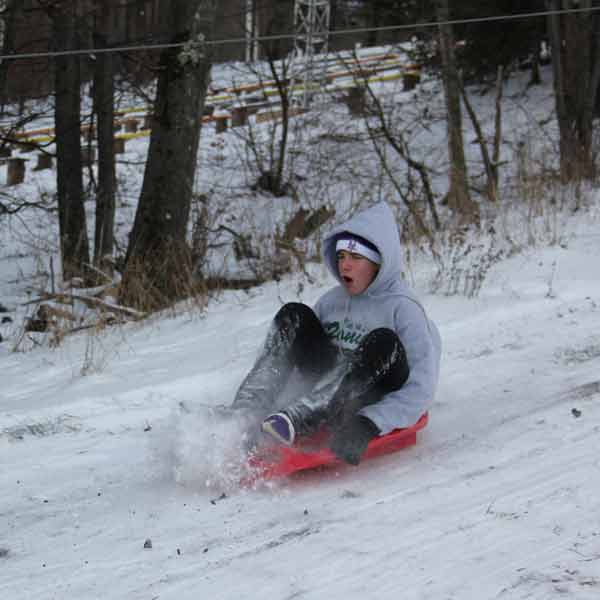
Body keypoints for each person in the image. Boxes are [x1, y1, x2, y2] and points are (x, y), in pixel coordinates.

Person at [232, 201, 442, 465]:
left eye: (356, 258)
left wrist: (369, 423)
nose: (345, 265)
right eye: (341, 257)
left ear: (378, 264)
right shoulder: (331, 302)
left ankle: (301, 416)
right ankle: (244, 413)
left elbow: (422, 389)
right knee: (294, 314)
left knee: (383, 340)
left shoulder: (403, 308)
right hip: (329, 393)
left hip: (371, 394)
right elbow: (302, 363)